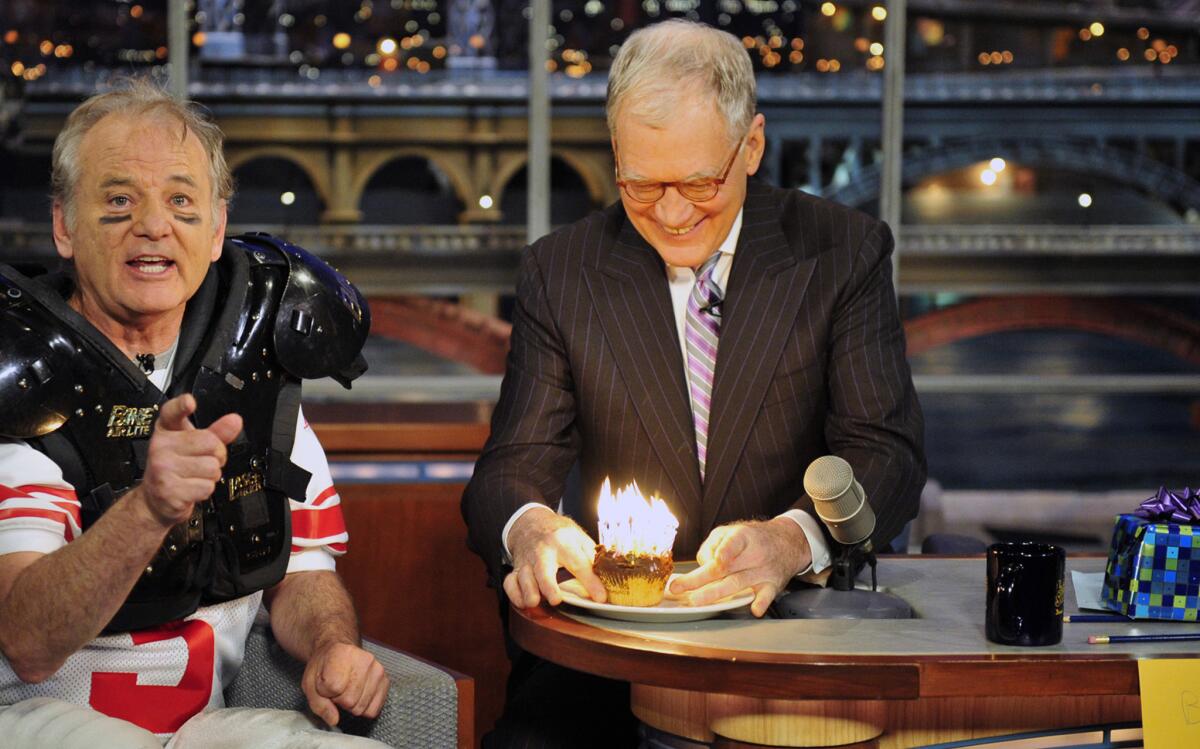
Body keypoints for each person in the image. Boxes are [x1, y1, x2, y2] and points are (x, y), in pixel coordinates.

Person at [462, 19, 926, 747]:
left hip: (793, 642)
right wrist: (531, 528)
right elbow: (507, 468)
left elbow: (887, 454)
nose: (672, 214)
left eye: (700, 183)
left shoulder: (843, 251)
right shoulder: (562, 271)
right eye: (642, 185)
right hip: (607, 659)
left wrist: (791, 539)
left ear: (752, 146)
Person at [0, 80, 389, 747]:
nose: (153, 225)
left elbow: (303, 574)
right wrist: (149, 509)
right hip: (34, 717)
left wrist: (331, 647)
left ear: (215, 228)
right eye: (119, 199)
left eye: (181, 200)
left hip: (205, 726)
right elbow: (30, 640)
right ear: (64, 224)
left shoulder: (260, 369)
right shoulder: (24, 380)